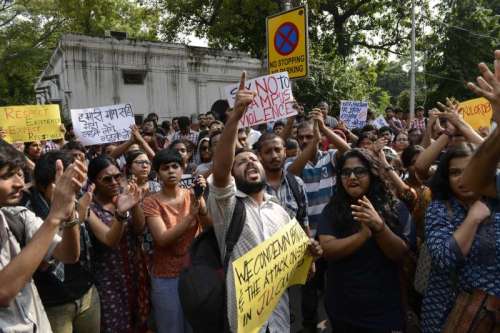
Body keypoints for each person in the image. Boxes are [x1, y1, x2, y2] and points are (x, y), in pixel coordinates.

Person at [207, 72, 322, 333]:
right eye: (241, 161)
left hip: (279, 319)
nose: (250, 162)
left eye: (253, 160)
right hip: (243, 322)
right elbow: (221, 168)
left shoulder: (280, 212)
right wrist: (235, 115)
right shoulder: (228, 205)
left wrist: (310, 253)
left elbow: (300, 270)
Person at [318, 148, 409, 332]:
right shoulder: (332, 209)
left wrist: (380, 227)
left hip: (384, 311)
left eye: (359, 171)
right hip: (343, 310)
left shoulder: (395, 207)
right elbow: (328, 250)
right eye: (345, 172)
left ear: (373, 174)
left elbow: (400, 254)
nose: (352, 177)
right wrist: (362, 235)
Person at [0, 139, 87, 332]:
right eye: (7, 176)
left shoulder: (17, 217)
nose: (19, 183)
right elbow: (3, 292)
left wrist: (69, 210)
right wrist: (55, 217)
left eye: (19, 174)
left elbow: (68, 255)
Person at [420, 144, 498, 332]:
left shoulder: (496, 204)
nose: (463, 178)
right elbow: (444, 259)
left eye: (471, 170)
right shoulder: (440, 208)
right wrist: (473, 218)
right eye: (455, 172)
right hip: (450, 315)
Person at [24, 150, 100, 333]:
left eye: (74, 182)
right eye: (62, 183)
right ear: (42, 186)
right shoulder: (26, 214)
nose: (70, 189)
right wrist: (67, 219)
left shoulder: (80, 200)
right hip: (54, 303)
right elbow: (43, 262)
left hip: (87, 294)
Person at [144, 149, 211, 333]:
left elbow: (208, 228)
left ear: (183, 170)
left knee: (195, 324)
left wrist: (201, 204)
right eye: (165, 168)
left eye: (175, 166)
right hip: (166, 277)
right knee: (170, 327)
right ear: (157, 174)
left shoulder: (192, 195)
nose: (171, 171)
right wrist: (190, 217)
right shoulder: (151, 202)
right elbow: (162, 239)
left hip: (194, 272)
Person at [83, 155, 145, 332]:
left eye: (117, 176)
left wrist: (134, 204)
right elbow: (110, 240)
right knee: (115, 325)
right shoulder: (89, 208)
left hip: (133, 273)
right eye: (107, 179)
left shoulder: (125, 198)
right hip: (108, 279)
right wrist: (121, 213)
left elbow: (139, 229)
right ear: (93, 182)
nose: (114, 182)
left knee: (138, 320)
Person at [256, 133, 309, 231]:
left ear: (284, 152)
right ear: (259, 156)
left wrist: (310, 244)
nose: (274, 156)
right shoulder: (253, 188)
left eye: (277, 150)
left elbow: (304, 222)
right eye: (268, 152)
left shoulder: (297, 183)